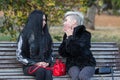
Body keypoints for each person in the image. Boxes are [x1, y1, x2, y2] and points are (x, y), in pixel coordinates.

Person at [58, 11, 96, 80]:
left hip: (87, 64)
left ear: (74, 22)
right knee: (75, 76)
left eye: (66, 20)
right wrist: (67, 38)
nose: (64, 23)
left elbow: (77, 51)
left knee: (83, 76)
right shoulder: (67, 34)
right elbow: (63, 53)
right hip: (72, 64)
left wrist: (70, 37)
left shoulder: (85, 34)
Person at [16, 10, 53, 80]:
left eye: (45, 20)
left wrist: (47, 63)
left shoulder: (46, 36)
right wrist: (35, 63)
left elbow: (50, 54)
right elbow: (19, 56)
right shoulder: (25, 35)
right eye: (42, 20)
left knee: (48, 72)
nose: (45, 22)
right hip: (30, 66)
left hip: (44, 66)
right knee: (41, 71)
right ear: (36, 21)